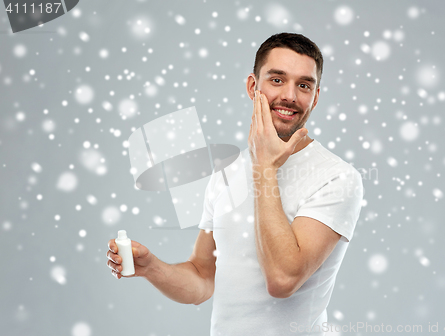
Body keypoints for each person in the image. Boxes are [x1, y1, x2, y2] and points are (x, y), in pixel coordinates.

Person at [107, 32, 364, 335]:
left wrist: (264, 167)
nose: (291, 96)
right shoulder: (226, 172)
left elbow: (282, 281)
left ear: (316, 97)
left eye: (304, 85)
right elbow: (203, 277)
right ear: (253, 87)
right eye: (277, 80)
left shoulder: (337, 177)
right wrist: (152, 268)